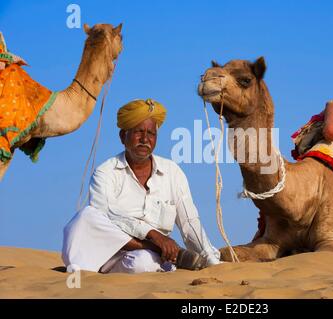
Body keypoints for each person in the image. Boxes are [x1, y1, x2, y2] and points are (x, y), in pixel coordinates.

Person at [62, 98, 220, 273]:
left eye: (151, 134)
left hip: (146, 258)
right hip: (107, 252)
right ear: (123, 137)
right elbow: (108, 215)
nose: (145, 139)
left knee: (142, 263)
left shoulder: (172, 172)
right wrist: (153, 236)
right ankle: (154, 249)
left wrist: (210, 259)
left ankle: (154, 252)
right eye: (138, 132)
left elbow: (189, 222)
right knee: (87, 215)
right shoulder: (106, 172)